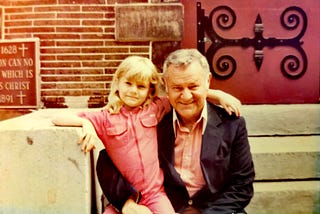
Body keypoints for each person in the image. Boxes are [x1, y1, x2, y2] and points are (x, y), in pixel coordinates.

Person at [51, 55, 242, 214]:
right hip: (123, 198)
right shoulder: (104, 117)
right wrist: (86, 124)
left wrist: (217, 95)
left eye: (141, 87)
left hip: (156, 194)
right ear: (117, 83)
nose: (133, 91)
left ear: (149, 90)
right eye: (128, 83)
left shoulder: (156, 107)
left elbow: (184, 95)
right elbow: (58, 118)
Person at [97, 49, 255, 214]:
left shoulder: (232, 125)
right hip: (162, 207)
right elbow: (107, 159)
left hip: (215, 210)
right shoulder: (152, 119)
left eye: (193, 86)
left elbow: (241, 186)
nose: (186, 96)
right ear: (165, 85)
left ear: (207, 81)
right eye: (177, 88)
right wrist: (127, 202)